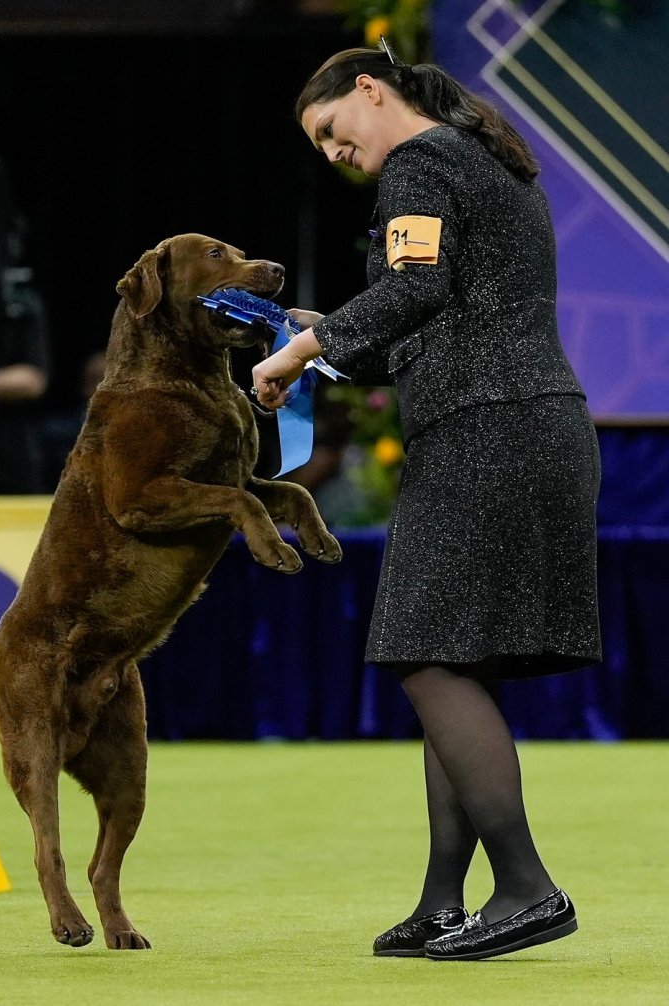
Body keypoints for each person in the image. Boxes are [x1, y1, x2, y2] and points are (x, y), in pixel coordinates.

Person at [252, 43, 601, 961]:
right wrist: (318, 336)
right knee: (450, 658)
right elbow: (422, 313)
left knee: (426, 658)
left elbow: (415, 287)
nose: (331, 153)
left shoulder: (422, 162)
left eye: (330, 130)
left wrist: (295, 354)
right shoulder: (477, 158)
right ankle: (446, 900)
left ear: (368, 88)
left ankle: (526, 887)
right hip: (523, 426)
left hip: (490, 433)